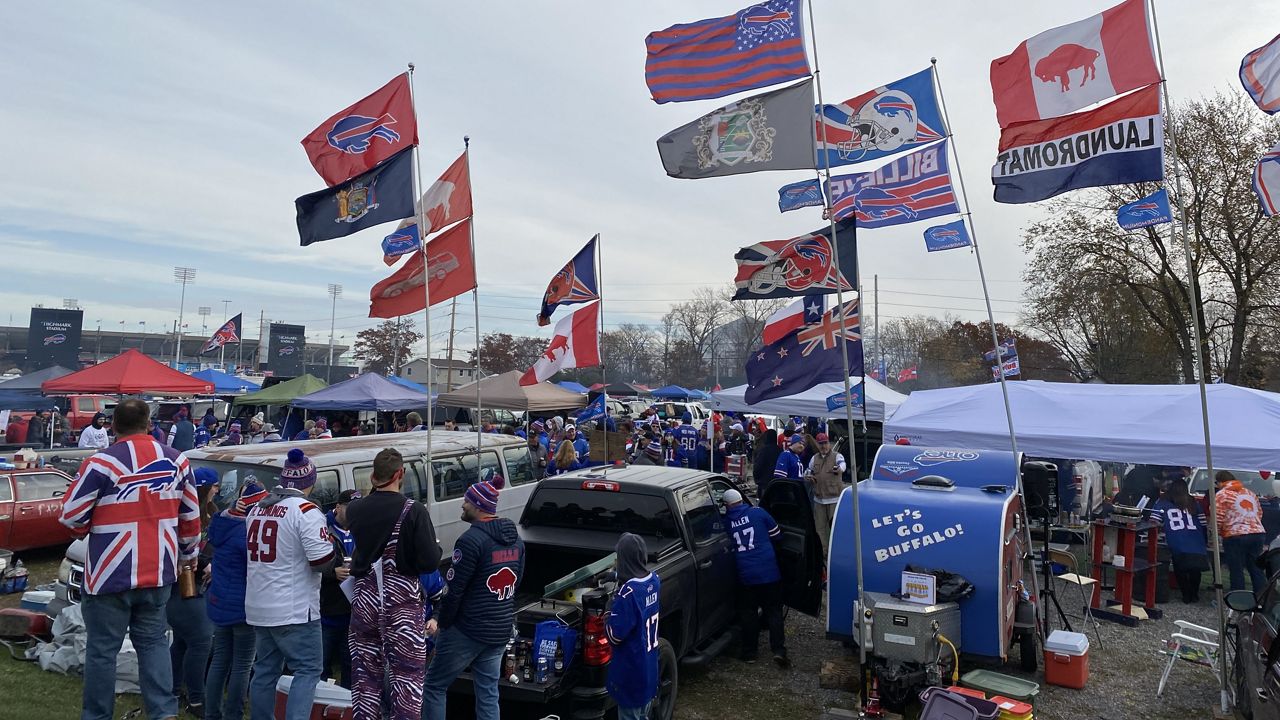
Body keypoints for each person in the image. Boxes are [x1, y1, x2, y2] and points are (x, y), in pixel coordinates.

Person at [58, 398, 201, 720]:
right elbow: (191, 519)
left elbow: (70, 516)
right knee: (153, 645)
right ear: (150, 424)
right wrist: (187, 555)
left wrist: (91, 524)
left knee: (102, 653)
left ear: (112, 426)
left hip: (109, 574)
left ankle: (97, 716)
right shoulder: (177, 461)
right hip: (158, 572)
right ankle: (163, 714)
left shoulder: (101, 464)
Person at [345, 449, 442, 719]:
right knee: (407, 678)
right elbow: (430, 562)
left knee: (365, 676)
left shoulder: (354, 509)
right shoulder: (413, 511)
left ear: (373, 475)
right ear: (400, 474)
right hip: (401, 607)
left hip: (364, 602)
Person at [244, 449, 337, 720]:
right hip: (293, 607)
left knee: (265, 670)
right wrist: (330, 544)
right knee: (308, 670)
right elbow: (321, 561)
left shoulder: (257, 509)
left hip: (260, 604)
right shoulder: (306, 511)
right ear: (310, 481)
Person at [423, 474, 524, 720]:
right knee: (488, 692)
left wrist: (443, 622)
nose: (462, 505)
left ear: (478, 506)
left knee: (434, 685)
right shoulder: (517, 541)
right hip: (499, 629)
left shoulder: (470, 540)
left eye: (466, 501)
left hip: (467, 629)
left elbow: (454, 590)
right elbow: (517, 581)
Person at [206, 480, 268, 720]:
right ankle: (233, 713)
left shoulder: (222, 523)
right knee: (242, 665)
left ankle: (212, 713)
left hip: (219, 602)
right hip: (243, 607)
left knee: (220, 660)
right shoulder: (248, 533)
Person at [167, 468, 219, 716]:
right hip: (183, 584)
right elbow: (183, 545)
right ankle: (197, 699)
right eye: (215, 486)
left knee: (181, 642)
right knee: (201, 641)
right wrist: (207, 560)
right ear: (206, 487)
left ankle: (173, 691)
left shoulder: (212, 511)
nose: (218, 490)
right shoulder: (184, 514)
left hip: (201, 586)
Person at [723, 488, 789, 667]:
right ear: (742, 500)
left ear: (727, 506)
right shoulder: (758, 513)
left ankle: (749, 653)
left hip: (746, 575)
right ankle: (778, 650)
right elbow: (777, 535)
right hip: (769, 572)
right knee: (774, 612)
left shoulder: (726, 522)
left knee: (748, 614)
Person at [605, 533, 661, 720]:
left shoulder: (627, 594)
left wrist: (608, 612)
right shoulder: (654, 580)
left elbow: (614, 637)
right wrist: (615, 576)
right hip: (648, 668)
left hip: (631, 672)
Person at [320, 490, 358, 689]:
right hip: (326, 610)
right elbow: (308, 562)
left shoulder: (362, 527)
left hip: (353, 611)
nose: (354, 513)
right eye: (350, 508)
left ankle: (347, 705)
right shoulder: (322, 527)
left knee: (350, 663)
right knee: (321, 665)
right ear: (338, 507)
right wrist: (331, 573)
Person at [1150, 478, 1209, 603]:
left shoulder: (1163, 502)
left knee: (1180, 568)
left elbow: (1153, 522)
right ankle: (1194, 594)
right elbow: (1203, 523)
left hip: (1177, 540)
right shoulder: (1193, 502)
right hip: (1196, 539)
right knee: (1195, 569)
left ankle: (1186, 595)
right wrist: (1205, 540)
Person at [1215, 470, 1268, 593]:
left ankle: (1238, 599)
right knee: (1255, 567)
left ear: (1220, 482)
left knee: (1236, 568)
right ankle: (1262, 597)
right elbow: (1259, 512)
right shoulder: (1250, 493)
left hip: (1235, 534)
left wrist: (1217, 533)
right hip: (1257, 532)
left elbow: (1218, 516)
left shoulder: (1222, 494)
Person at [806, 433, 848, 560]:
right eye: (821, 443)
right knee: (820, 529)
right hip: (819, 500)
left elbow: (843, 465)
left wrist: (839, 469)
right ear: (818, 445)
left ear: (829, 443)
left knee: (835, 528)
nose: (823, 446)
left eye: (825, 443)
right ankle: (823, 554)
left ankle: (837, 553)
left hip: (834, 499)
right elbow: (808, 470)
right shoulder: (814, 458)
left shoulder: (837, 456)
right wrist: (807, 475)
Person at [752, 429, 781, 497]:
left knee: (764, 504)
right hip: (776, 483)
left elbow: (758, 466)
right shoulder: (779, 450)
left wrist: (756, 479)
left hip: (764, 483)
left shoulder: (764, 450)